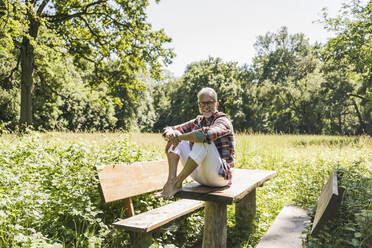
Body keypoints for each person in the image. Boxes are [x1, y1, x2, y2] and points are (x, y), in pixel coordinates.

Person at [155, 87, 235, 199]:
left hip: (220, 177)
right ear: (199, 106)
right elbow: (169, 129)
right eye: (203, 104)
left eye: (210, 103)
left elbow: (205, 135)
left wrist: (180, 137)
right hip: (200, 176)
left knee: (202, 140)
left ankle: (176, 182)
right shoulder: (198, 121)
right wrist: (170, 134)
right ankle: (171, 180)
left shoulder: (223, 121)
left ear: (216, 104)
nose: (206, 107)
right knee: (174, 137)